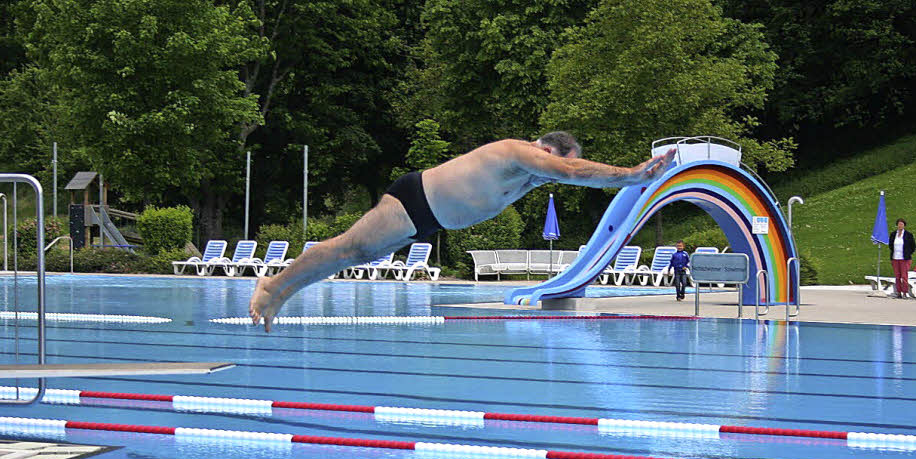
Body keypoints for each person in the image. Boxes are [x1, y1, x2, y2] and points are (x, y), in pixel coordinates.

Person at [249, 131, 675, 331]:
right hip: (415, 199)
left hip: (428, 220)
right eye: (555, 167)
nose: (553, 178)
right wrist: (631, 175)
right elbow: (572, 171)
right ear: (547, 150)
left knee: (358, 256)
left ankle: (283, 291)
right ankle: (274, 285)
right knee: (349, 250)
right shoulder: (519, 153)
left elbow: (563, 174)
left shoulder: (528, 177)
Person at [888, 218, 916, 298]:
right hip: (895, 258)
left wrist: (908, 253)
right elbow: (890, 245)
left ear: (904, 225)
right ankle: (898, 292)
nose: (900, 226)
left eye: (902, 224)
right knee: (897, 276)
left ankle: (905, 292)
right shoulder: (893, 234)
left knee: (904, 276)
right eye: (899, 224)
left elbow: (913, 246)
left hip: (904, 258)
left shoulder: (908, 235)